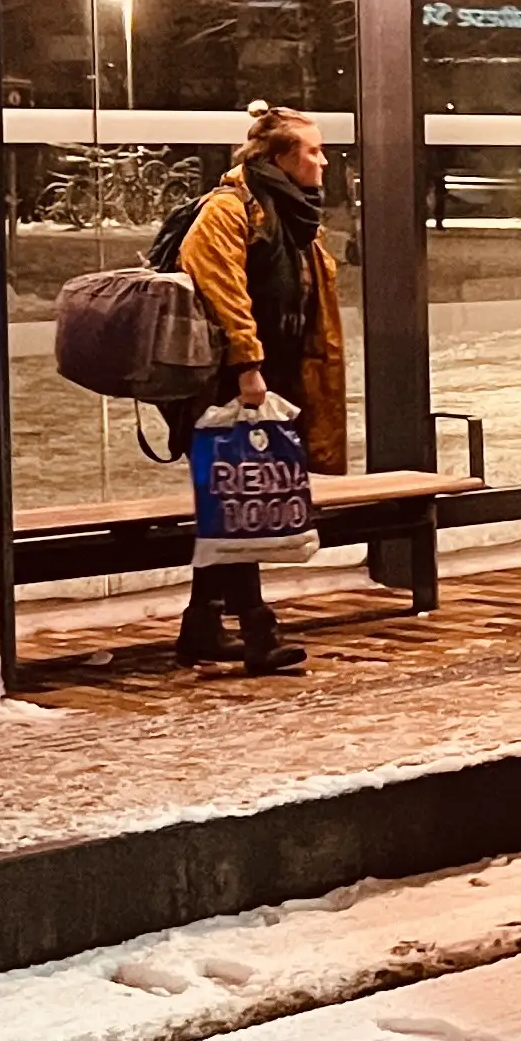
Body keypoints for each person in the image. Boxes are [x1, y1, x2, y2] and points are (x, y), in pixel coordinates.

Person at [164, 101, 345, 675]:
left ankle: (201, 623)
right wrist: (247, 364)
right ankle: (258, 630)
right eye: (312, 151)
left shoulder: (290, 214)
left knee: (232, 499)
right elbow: (221, 289)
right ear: (278, 158)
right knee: (240, 499)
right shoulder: (230, 208)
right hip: (226, 380)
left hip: (268, 378)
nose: (324, 162)